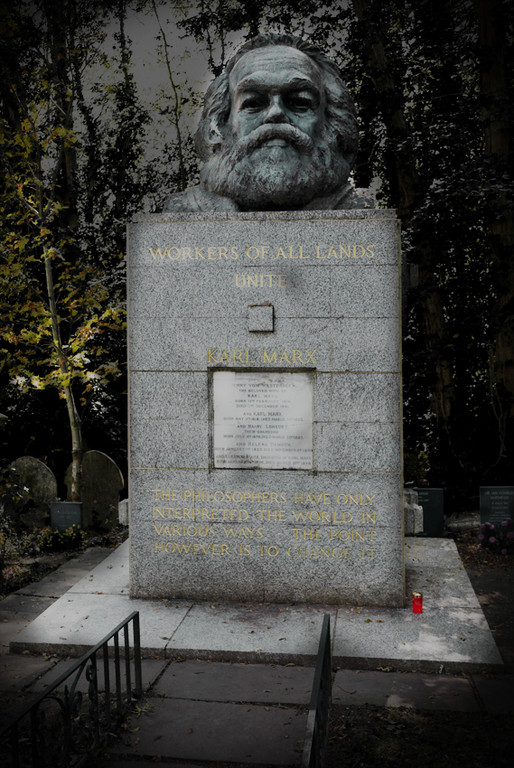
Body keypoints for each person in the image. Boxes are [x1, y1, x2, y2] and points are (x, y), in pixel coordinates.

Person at [165, 33, 373, 212]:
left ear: (333, 125)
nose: (275, 113)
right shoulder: (182, 211)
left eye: (300, 102)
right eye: (253, 103)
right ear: (219, 126)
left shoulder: (358, 209)